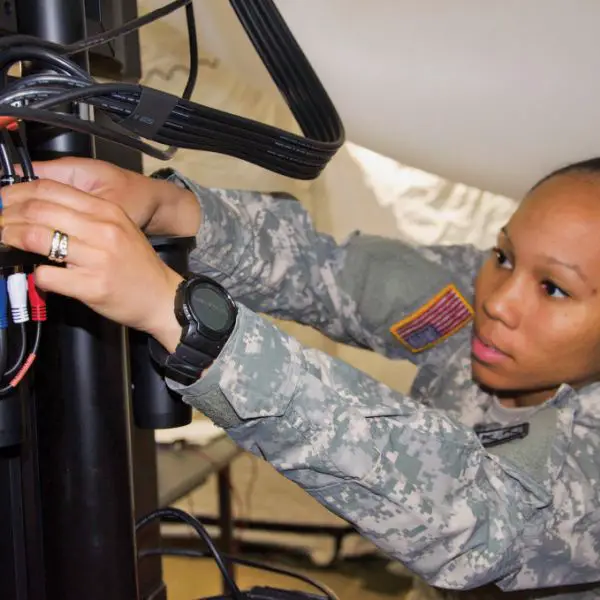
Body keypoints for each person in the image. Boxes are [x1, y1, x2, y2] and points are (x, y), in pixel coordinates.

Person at [2, 155, 600, 600]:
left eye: (554, 289)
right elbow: (329, 272)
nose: (498, 300)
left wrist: (181, 318)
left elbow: (479, 518)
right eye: (503, 255)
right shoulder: (481, 302)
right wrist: (172, 210)